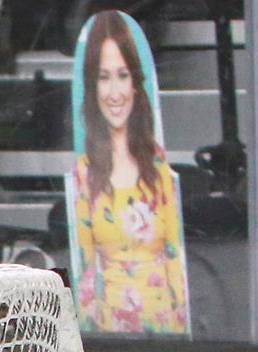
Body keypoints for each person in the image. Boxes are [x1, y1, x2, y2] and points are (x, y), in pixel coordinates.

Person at [66, 11, 188, 335]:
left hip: (168, 339)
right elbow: (85, 276)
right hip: (112, 340)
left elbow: (176, 261)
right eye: (104, 77)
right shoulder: (85, 176)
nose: (115, 92)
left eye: (122, 75)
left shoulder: (159, 166)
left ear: (136, 83)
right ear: (92, 87)